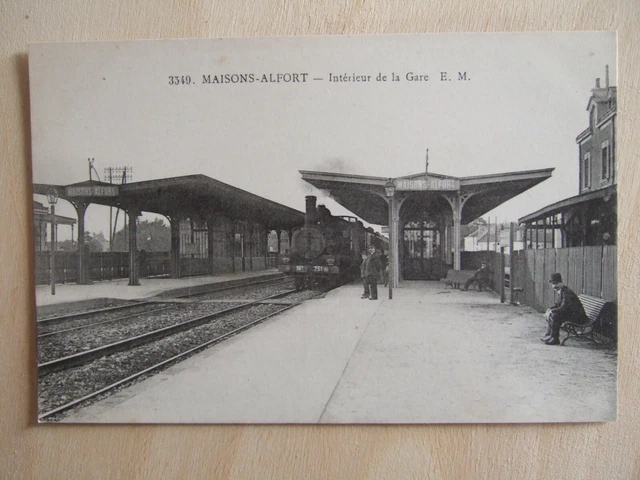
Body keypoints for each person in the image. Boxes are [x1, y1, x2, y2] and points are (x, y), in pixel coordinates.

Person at [541, 273, 588, 345]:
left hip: (579, 318)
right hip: (571, 314)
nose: (554, 286)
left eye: (556, 283)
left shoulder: (566, 292)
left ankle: (555, 338)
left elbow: (564, 308)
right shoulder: (562, 291)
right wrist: (549, 309)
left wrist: (552, 311)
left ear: (561, 282)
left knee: (555, 315)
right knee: (553, 313)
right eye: (552, 284)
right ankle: (551, 335)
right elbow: (557, 305)